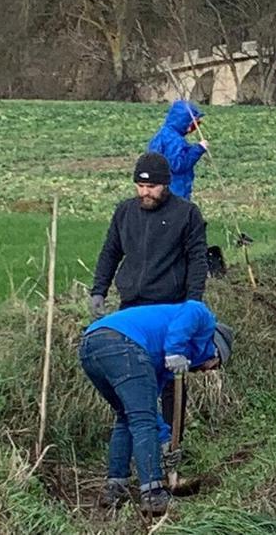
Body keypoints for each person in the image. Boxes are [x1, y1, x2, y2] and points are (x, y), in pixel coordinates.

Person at [90, 153, 208, 446]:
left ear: (166, 184)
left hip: (170, 310)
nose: (145, 192)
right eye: (140, 186)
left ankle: (173, 445)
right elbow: (110, 252)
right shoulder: (124, 213)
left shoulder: (187, 214)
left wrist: (193, 303)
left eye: (152, 186)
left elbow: (197, 261)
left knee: (171, 380)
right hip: (131, 309)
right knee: (133, 383)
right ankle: (140, 445)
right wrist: (99, 290)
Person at [80, 300, 232, 515]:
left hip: (92, 345)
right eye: (215, 365)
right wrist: (175, 350)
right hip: (122, 343)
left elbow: (148, 408)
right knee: (143, 421)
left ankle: (115, 487)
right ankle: (153, 494)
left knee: (127, 416)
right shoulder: (204, 321)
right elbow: (192, 309)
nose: (209, 371)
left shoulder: (162, 367)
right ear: (216, 351)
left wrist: (165, 441)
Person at [148, 101, 208, 201]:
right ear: (183, 122)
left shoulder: (162, 134)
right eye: (193, 125)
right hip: (175, 189)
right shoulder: (174, 141)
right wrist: (198, 149)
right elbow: (178, 165)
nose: (191, 130)